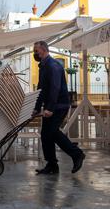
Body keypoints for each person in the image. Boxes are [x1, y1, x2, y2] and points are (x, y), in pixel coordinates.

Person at [32, 41, 85, 175]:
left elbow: (55, 88)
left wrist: (49, 108)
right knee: (45, 135)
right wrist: (36, 107)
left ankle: (77, 154)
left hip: (59, 106)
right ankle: (52, 165)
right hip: (52, 105)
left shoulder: (53, 66)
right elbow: (41, 89)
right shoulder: (43, 66)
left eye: (36, 51)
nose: (35, 53)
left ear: (43, 50)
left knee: (52, 132)